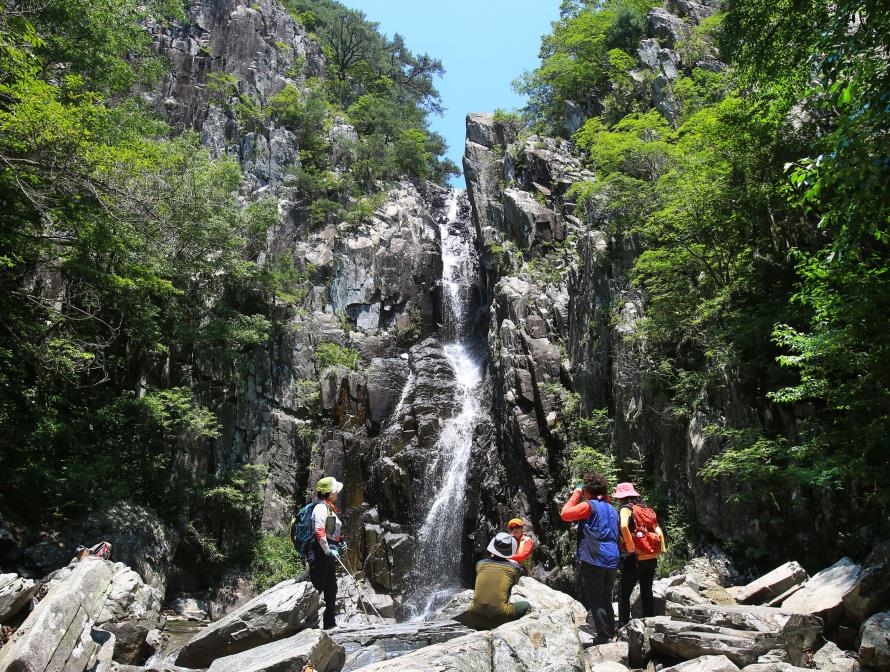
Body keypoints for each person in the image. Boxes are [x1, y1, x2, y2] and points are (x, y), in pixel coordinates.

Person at [560, 472, 620, 644]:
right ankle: (611, 630)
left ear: (587, 490)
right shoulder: (612, 508)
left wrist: (577, 493)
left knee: (596, 598)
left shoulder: (589, 506)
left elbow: (565, 514)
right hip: (613, 556)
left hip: (594, 555)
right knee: (606, 596)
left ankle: (603, 637)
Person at [613, 482, 666, 627]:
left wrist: (630, 547)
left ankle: (623, 625)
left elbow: (624, 525)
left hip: (636, 558)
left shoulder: (626, 508)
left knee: (624, 593)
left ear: (621, 498)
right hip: (651, 557)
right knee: (646, 592)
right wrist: (661, 548)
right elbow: (657, 529)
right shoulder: (645, 508)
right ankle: (650, 623)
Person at [466, 532, 531, 629]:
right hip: (500, 615)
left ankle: (482, 627)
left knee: (482, 611)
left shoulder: (480, 564)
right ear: (511, 550)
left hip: (474, 613)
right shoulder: (514, 568)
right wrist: (513, 564)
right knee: (526, 605)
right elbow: (514, 583)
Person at [308, 476, 345, 630]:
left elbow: (330, 531)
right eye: (335, 490)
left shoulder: (328, 507)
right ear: (329, 492)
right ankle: (309, 625)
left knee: (331, 587)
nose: (338, 492)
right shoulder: (320, 508)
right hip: (319, 553)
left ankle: (330, 623)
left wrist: (339, 541)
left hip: (327, 553)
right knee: (317, 588)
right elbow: (319, 530)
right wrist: (327, 549)